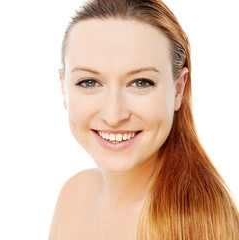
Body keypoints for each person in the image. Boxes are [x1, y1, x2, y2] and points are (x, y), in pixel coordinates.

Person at [49, 0, 239, 239]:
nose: (113, 116)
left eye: (141, 83)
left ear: (178, 89)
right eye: (89, 82)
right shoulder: (74, 194)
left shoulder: (197, 226)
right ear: (64, 89)